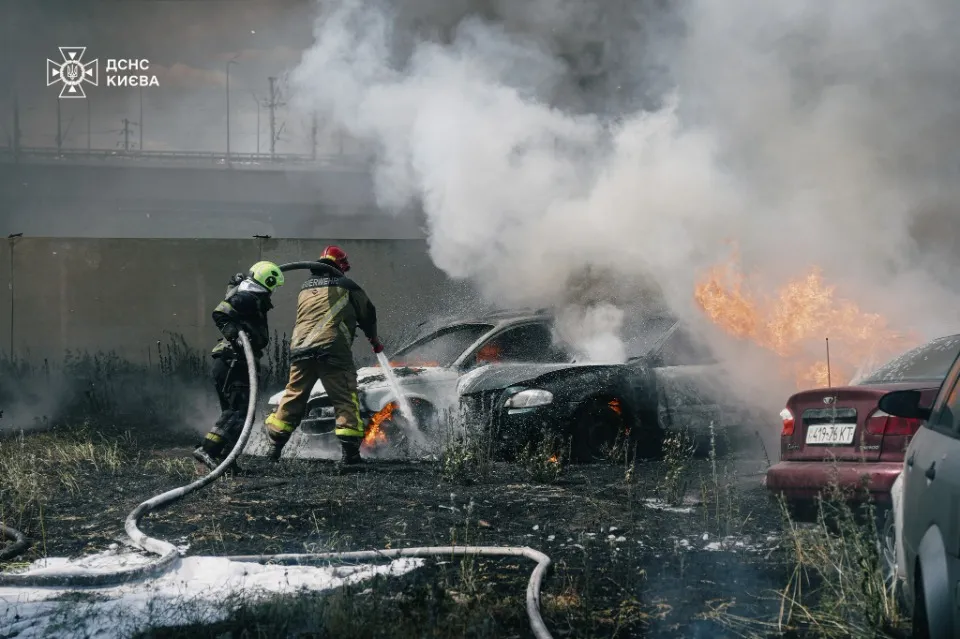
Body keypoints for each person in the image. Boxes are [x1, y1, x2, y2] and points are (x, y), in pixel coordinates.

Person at [264, 245, 382, 466]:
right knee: (345, 398)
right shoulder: (346, 284)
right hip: (332, 350)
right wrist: (374, 339)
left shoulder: (304, 288)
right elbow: (368, 312)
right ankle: (350, 457)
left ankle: (273, 451)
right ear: (341, 265)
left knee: (293, 397)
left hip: (301, 349)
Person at [192, 261, 285, 473]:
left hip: (230, 362)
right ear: (267, 281)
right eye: (274, 285)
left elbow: (230, 299)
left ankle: (227, 462)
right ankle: (209, 450)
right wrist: (236, 335)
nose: (274, 290)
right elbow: (221, 312)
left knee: (238, 415)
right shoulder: (248, 297)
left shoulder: (247, 294)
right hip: (233, 361)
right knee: (238, 413)